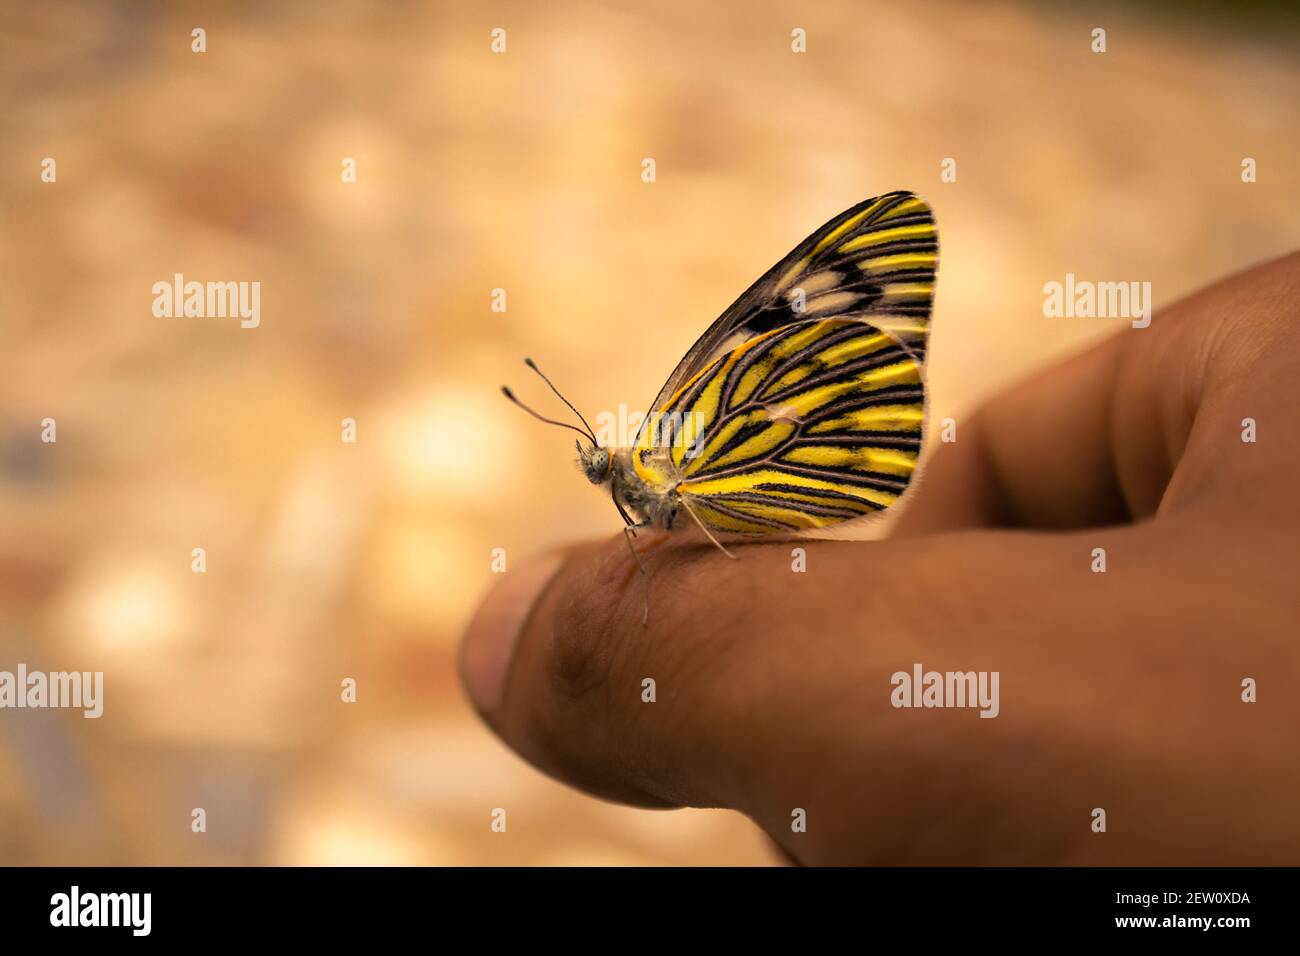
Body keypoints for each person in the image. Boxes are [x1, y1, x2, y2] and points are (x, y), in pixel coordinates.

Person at [459, 252, 1300, 865]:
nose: (606, 472)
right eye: (604, 469)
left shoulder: (666, 465)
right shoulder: (652, 484)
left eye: (603, 463)